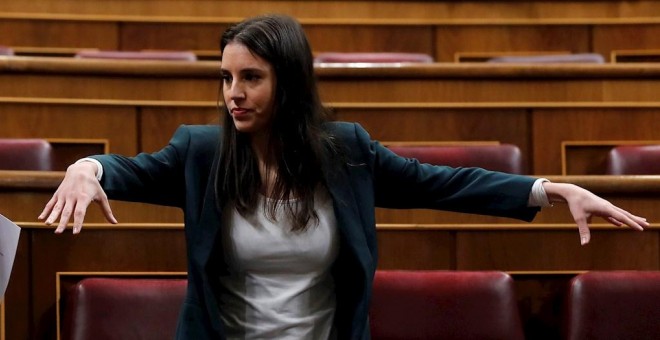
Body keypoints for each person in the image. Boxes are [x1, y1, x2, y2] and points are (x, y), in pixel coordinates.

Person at [39, 14, 648, 340]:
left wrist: (551, 189)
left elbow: (443, 183)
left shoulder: (347, 151)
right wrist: (86, 167)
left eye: (250, 78)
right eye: (225, 78)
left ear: (290, 81)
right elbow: (127, 169)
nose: (233, 94)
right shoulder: (201, 153)